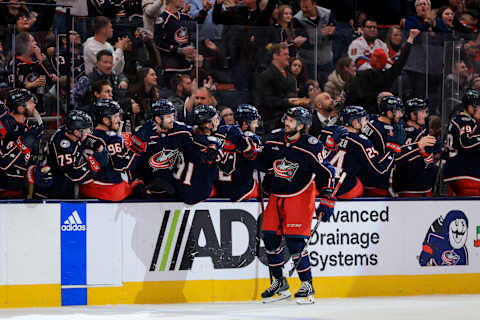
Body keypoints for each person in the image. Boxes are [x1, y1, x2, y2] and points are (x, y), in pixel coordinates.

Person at [252, 107, 336, 304]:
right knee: (271, 239)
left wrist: (327, 198)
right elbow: (262, 162)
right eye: (286, 118)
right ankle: (280, 285)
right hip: (277, 195)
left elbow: (327, 172)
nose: (286, 123)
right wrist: (249, 151)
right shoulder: (273, 139)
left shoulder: (311, 145)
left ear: (301, 125)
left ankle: (307, 287)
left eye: (291, 120)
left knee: (296, 244)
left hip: (300, 196)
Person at [361, 95, 436, 196]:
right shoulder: (380, 131)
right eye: (398, 111)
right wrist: (417, 146)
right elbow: (392, 157)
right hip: (376, 182)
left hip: (377, 179)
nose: (401, 115)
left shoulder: (374, 120)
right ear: (389, 112)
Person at [345, 29, 420, 112]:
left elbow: (401, 61)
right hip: (381, 110)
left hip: (364, 111)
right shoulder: (388, 75)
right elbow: (401, 61)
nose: (371, 58)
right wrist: (410, 39)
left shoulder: (361, 75)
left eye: (374, 56)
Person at [79, 99, 140, 201]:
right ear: (106, 120)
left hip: (85, 188)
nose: (118, 120)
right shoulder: (112, 138)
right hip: (108, 190)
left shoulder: (85, 135)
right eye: (115, 116)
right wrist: (137, 147)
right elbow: (123, 165)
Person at [44, 110, 110, 198]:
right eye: (87, 130)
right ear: (76, 132)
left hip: (68, 180)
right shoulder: (63, 145)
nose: (89, 132)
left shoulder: (71, 131)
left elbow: (93, 140)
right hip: (55, 187)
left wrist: (100, 147)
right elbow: (74, 175)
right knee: (64, 184)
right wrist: (94, 164)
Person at [0, 89, 51, 198]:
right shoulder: (4, 127)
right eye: (30, 102)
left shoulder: (29, 127)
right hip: (4, 190)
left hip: (21, 188)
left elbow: (31, 160)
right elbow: (3, 163)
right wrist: (23, 144)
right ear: (20, 107)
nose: (34, 104)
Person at [393, 98, 439, 197]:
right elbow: (396, 156)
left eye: (425, 112)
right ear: (413, 115)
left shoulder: (422, 132)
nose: (425, 115)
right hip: (409, 187)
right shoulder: (402, 132)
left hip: (424, 186)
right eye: (422, 112)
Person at [215, 104, 261, 201]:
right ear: (245, 124)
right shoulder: (251, 139)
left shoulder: (220, 131)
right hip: (241, 191)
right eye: (254, 122)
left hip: (219, 188)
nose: (256, 125)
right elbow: (259, 161)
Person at [256, 43, 302, 132]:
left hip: (290, 119)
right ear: (275, 56)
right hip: (272, 121)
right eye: (285, 54)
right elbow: (265, 100)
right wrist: (287, 101)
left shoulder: (290, 76)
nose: (288, 57)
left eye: (288, 54)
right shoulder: (266, 75)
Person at [443, 89, 480, 196]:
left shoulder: (457, 120)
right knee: (472, 210)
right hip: (466, 174)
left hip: (455, 172)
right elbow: (466, 143)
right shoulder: (465, 121)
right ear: (471, 107)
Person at [293, 0, 336, 87]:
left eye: (306, 7)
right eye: (302, 7)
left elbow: (334, 34)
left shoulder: (327, 14)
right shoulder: (297, 19)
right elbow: (302, 43)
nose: (304, 10)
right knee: (310, 89)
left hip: (326, 60)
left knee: (328, 88)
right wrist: (321, 34)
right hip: (307, 62)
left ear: (314, 4)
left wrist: (330, 33)